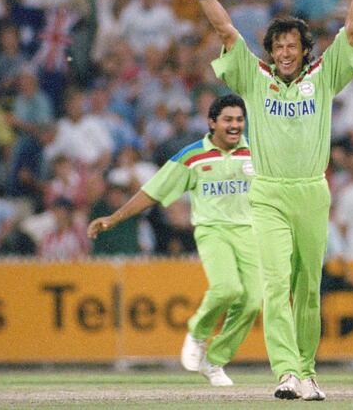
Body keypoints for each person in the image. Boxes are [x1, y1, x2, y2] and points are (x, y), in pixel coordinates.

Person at [185, 0, 353, 400]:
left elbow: (350, 31)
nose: (285, 53)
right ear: (270, 51)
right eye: (278, 46)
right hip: (267, 192)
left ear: (305, 50)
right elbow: (227, 32)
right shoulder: (254, 77)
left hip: (312, 191)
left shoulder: (323, 75)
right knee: (274, 284)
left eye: (293, 46)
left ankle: (308, 372)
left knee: (308, 287)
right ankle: (287, 372)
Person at [87, 94, 261, 387]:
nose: (235, 126)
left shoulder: (256, 153)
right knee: (227, 288)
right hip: (213, 230)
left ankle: (214, 360)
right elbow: (153, 191)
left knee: (253, 301)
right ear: (212, 123)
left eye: (239, 120)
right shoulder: (192, 155)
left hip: (249, 232)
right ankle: (197, 333)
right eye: (228, 120)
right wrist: (114, 218)